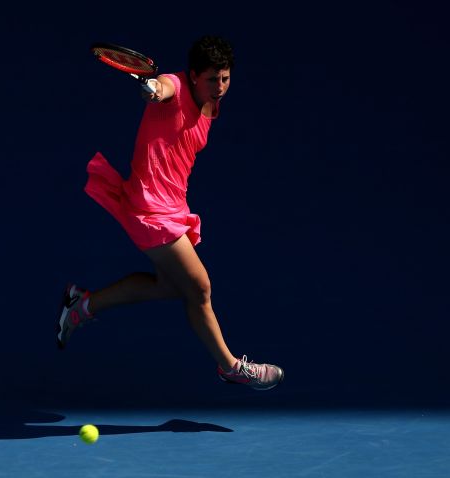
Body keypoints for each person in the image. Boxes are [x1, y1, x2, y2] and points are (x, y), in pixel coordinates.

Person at [57, 35, 283, 391]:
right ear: (193, 75)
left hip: (173, 207)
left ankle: (82, 305)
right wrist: (154, 89)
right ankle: (231, 367)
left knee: (169, 286)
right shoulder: (175, 86)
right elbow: (161, 89)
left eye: (225, 78)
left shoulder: (212, 104)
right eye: (212, 79)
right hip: (150, 209)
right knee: (200, 287)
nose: (220, 87)